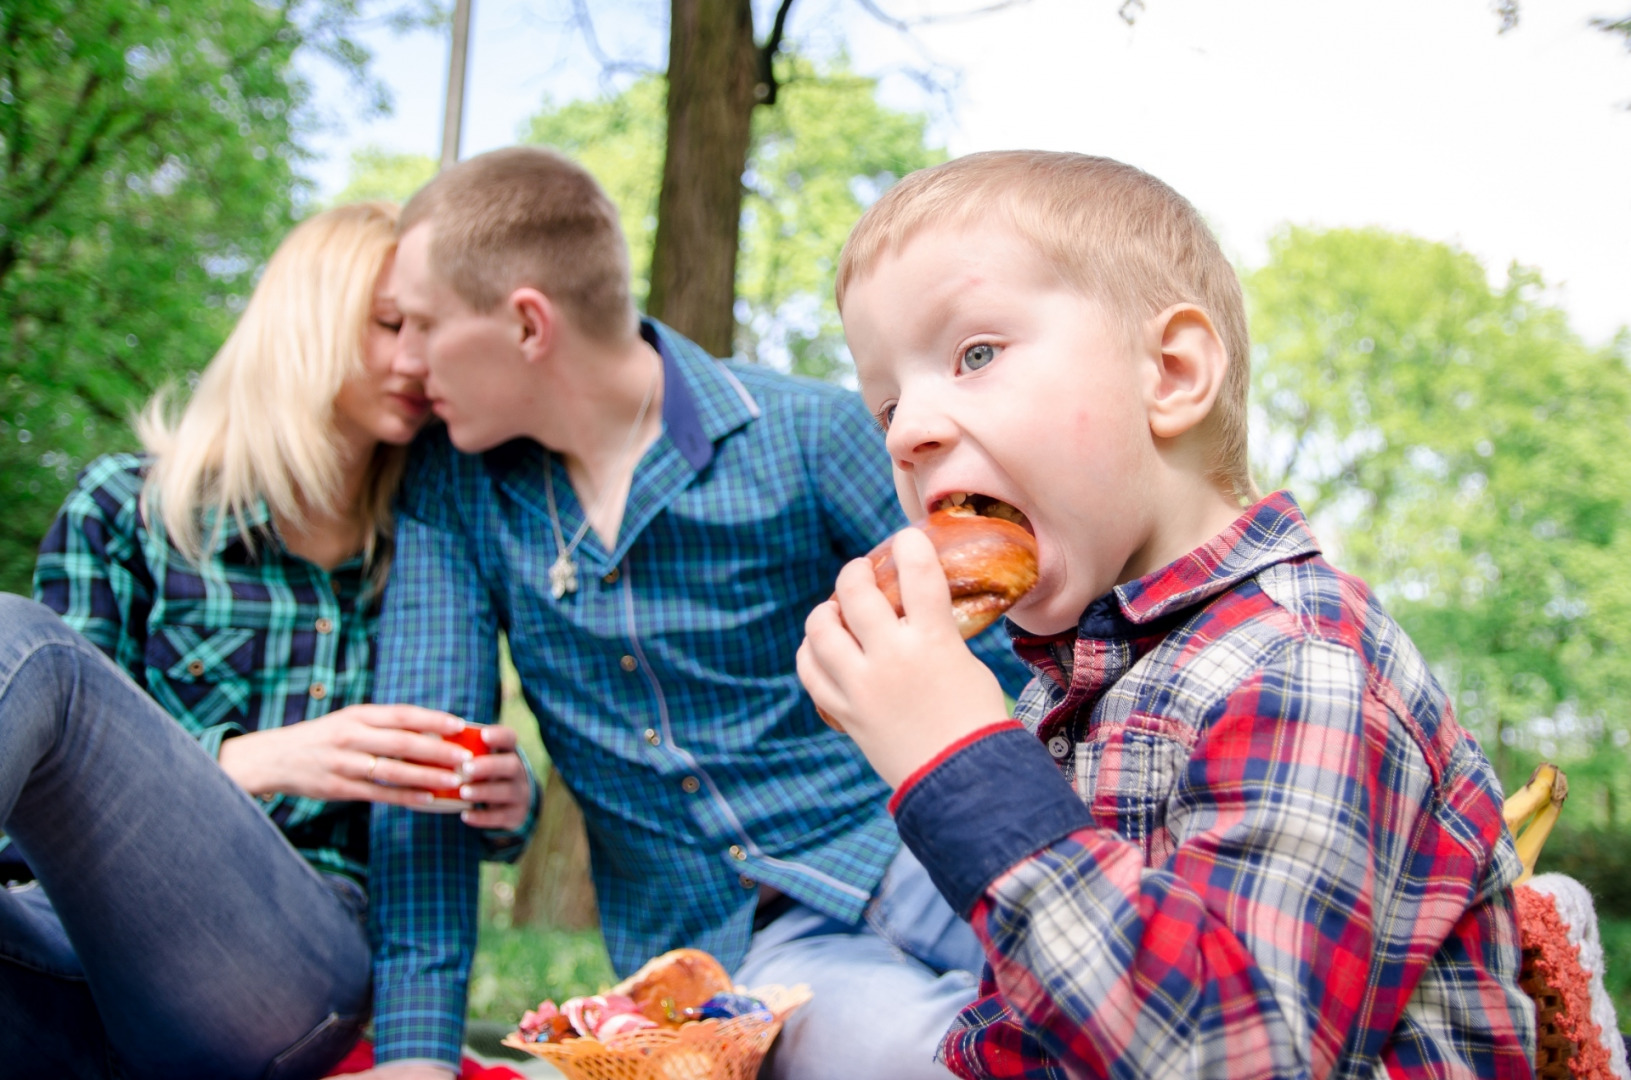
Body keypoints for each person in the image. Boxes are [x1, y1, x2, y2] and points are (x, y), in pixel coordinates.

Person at [797, 151, 1537, 1079]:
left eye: (974, 355)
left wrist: (959, 766)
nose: (907, 434)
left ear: (1171, 373)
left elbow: (1228, 1052)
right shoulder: (1068, 691)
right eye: (888, 405)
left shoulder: (1302, 664)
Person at [356, 146, 1029, 1080]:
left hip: (917, 845)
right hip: (743, 963)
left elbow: (1015, 660)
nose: (403, 361)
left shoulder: (806, 433)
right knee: (941, 1065)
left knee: (1125, 1003)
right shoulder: (452, 496)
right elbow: (431, 772)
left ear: (525, 325)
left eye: (421, 325)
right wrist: (415, 1055)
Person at [1, 202, 532, 1080]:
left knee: (30, 646)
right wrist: (262, 759)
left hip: (293, 963)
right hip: (67, 947)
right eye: (391, 325)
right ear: (307, 323)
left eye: (432, 334)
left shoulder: (430, 557)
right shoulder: (125, 510)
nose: (417, 360)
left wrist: (511, 808)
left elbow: (434, 838)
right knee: (28, 651)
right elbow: (30, 821)